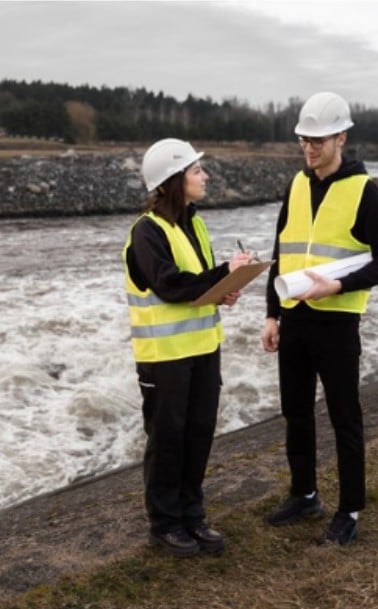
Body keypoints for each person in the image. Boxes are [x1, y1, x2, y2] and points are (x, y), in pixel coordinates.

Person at [260, 92, 378, 546]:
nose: (310, 148)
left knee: (345, 418)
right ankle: (304, 494)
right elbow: (281, 252)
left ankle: (350, 511)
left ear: (341, 137)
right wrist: (271, 313)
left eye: (319, 139)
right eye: (305, 139)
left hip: (338, 324)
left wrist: (338, 285)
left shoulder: (365, 192)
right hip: (295, 320)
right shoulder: (296, 185)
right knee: (296, 412)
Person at [123, 138, 251, 557]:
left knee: (198, 434)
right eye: (197, 171)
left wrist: (224, 289)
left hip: (202, 349)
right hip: (164, 359)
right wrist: (219, 276)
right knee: (168, 439)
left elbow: (198, 285)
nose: (204, 176)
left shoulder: (195, 224)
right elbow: (170, 285)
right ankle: (164, 524)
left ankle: (192, 516)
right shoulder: (146, 232)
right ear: (174, 180)